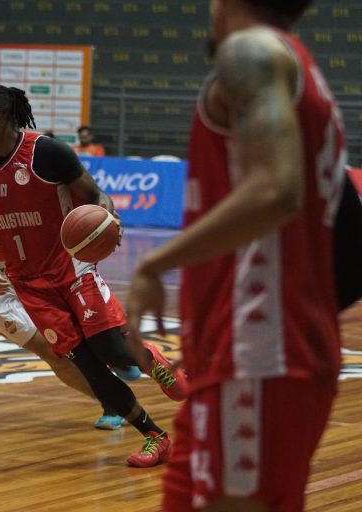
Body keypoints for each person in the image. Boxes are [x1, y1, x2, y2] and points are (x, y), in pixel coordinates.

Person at [126, 0, 345, 509]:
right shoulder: (298, 67)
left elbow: (277, 191)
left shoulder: (252, 50)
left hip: (258, 355)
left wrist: (153, 263)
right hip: (249, 356)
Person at [0, 83, 188, 467]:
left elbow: (96, 195)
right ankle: (155, 437)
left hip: (72, 269)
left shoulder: (48, 154)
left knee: (111, 350)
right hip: (31, 285)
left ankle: (153, 359)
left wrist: (107, 218)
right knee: (89, 368)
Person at [0, 174, 141, 430]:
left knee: (85, 332)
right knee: (52, 350)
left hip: (37, 270)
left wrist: (108, 219)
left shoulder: (34, 170)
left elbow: (92, 193)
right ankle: (111, 401)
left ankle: (118, 356)